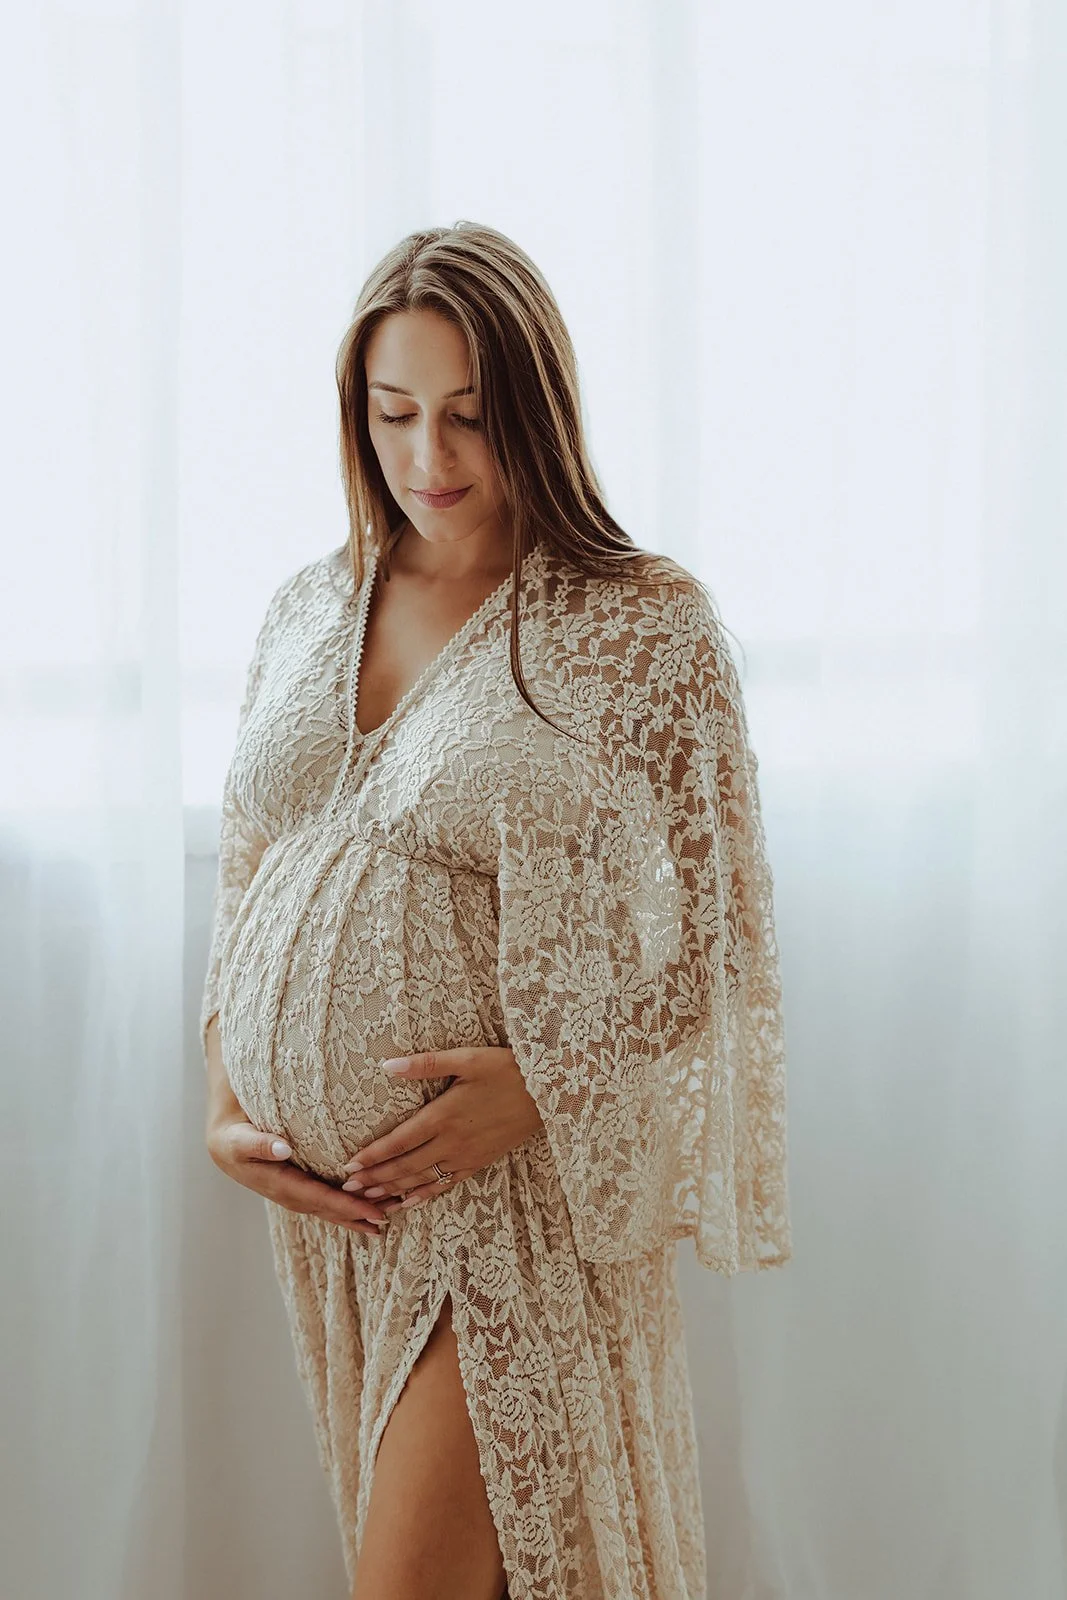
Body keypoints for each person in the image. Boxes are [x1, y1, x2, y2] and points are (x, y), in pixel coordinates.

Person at [199, 220, 792, 1600]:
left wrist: (544, 1085)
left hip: (508, 1206)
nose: (429, 459)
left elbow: (717, 942)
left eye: (468, 415)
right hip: (342, 1223)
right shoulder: (309, 603)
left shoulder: (637, 623)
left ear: (537, 405)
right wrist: (227, 1092)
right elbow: (250, 868)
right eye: (392, 412)